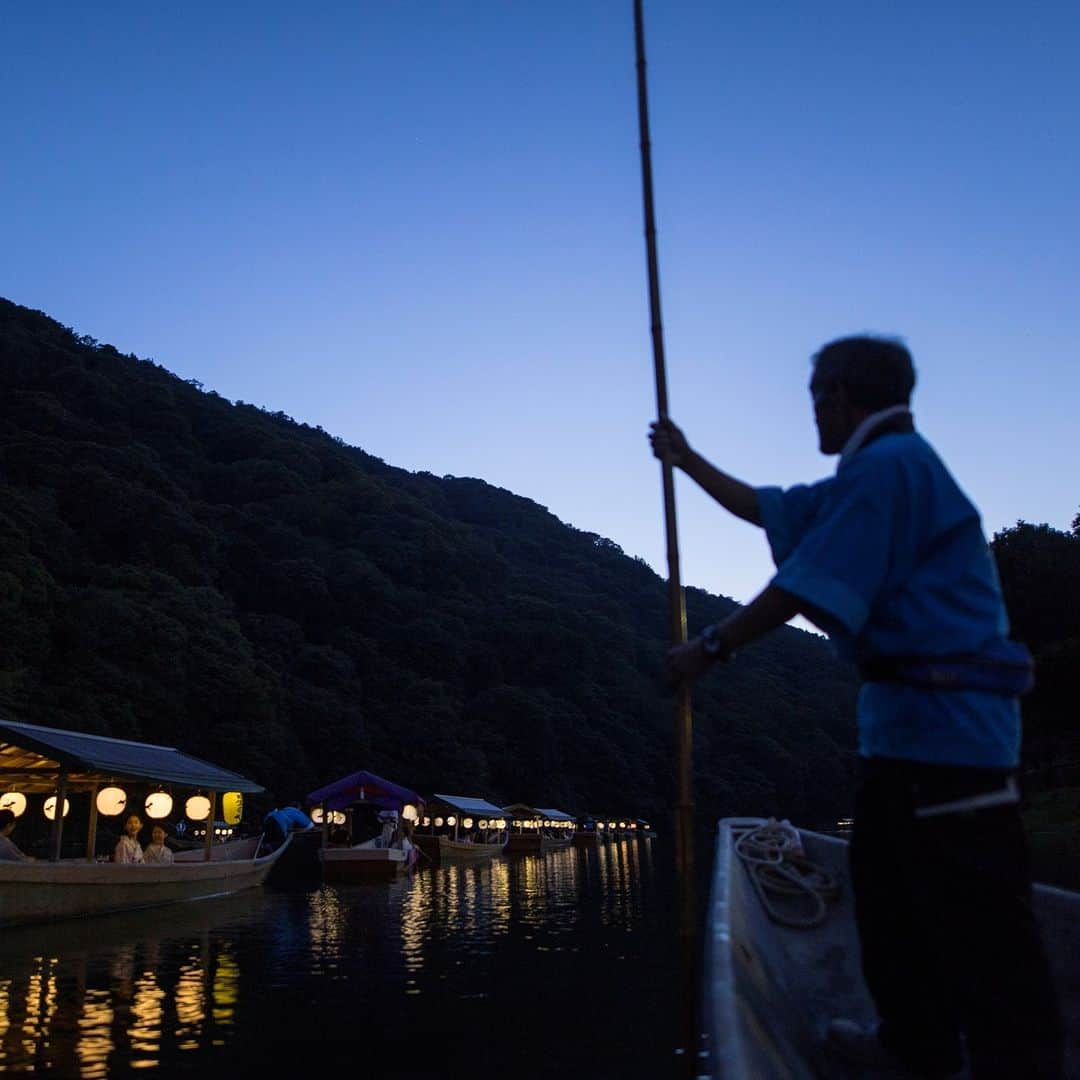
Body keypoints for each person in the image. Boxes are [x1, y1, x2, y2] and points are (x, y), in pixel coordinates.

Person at [650, 335, 1063, 1079]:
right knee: (887, 897)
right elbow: (776, 512)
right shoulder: (875, 474)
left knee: (984, 923)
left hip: (948, 738)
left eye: (814, 399)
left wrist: (707, 650)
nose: (812, 416)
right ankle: (915, 1043)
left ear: (840, 394)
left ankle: (1013, 1060)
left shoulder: (887, 470)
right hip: (910, 738)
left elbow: (805, 582)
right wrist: (687, 460)